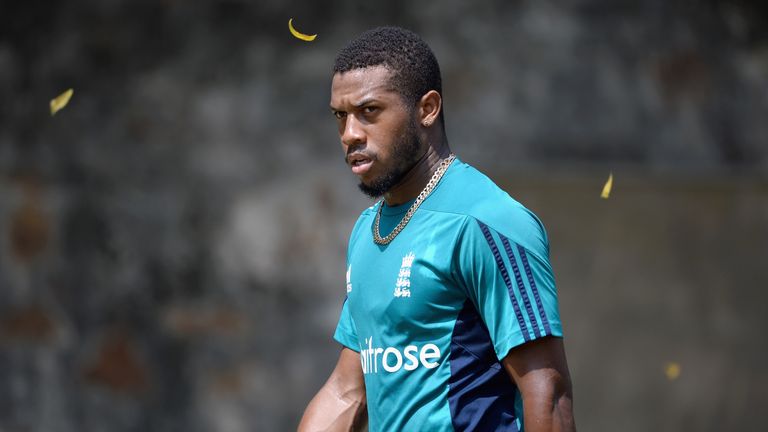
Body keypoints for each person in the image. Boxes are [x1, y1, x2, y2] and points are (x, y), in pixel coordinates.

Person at [298, 26, 575, 432]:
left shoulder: (486, 221)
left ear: (426, 109)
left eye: (369, 111)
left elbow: (546, 392)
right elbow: (347, 392)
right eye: (341, 116)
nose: (350, 134)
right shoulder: (367, 231)